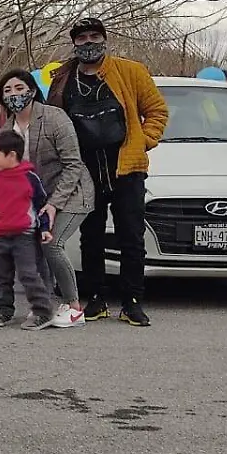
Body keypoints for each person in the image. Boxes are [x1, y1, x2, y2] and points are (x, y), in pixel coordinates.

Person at [47, 18, 169, 326]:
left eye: (94, 36)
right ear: (74, 43)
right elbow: (54, 120)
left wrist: (144, 141)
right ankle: (96, 299)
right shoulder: (63, 78)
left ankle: (132, 301)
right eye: (82, 38)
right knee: (91, 236)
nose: (88, 43)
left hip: (126, 166)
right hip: (84, 170)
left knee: (131, 236)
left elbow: (156, 111)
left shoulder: (131, 71)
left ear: (104, 39)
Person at [0, 69, 93, 327]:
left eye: (19, 88)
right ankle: (43, 305)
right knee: (33, 246)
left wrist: (53, 204)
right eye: (7, 91)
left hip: (73, 192)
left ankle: (74, 307)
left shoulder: (54, 117)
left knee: (52, 244)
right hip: (37, 198)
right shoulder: (8, 129)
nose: (14, 94)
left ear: (31, 90)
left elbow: (73, 164)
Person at [0, 131, 55, 331]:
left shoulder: (29, 178)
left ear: (12, 155)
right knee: (1, 276)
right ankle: (3, 311)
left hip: (23, 236)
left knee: (28, 274)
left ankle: (43, 311)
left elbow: (41, 205)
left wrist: (44, 228)